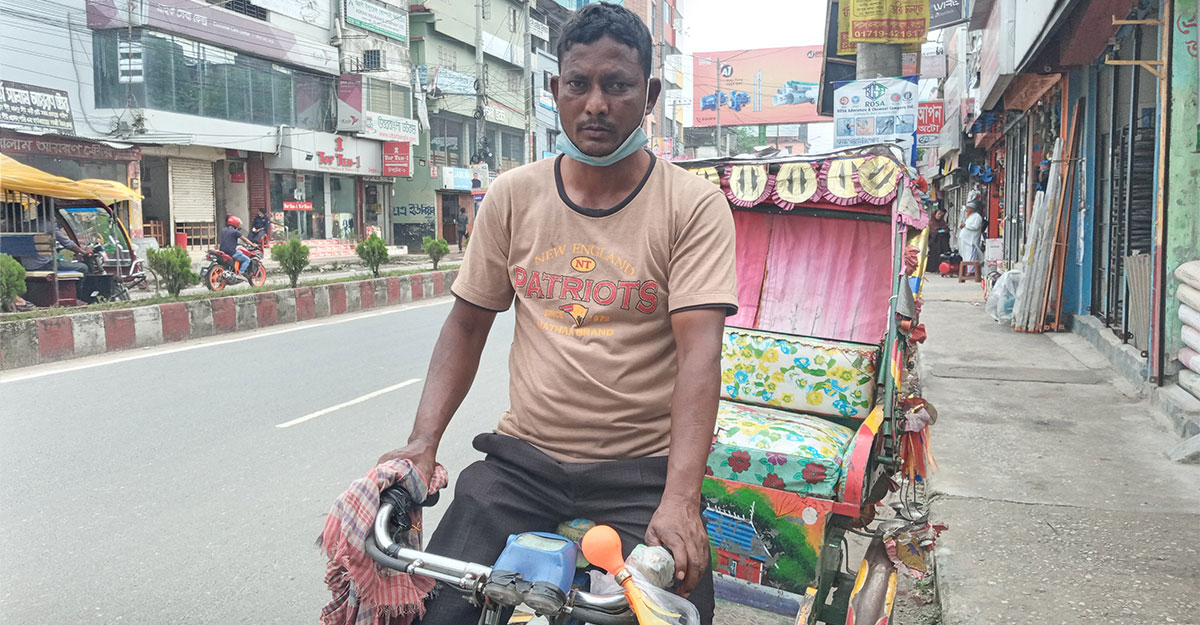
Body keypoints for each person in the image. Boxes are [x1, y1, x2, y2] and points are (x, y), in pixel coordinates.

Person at [375, 5, 736, 624]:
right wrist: (422, 444)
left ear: (649, 95)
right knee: (438, 607)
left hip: (640, 473)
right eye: (578, 84)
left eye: (617, 85)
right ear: (554, 89)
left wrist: (681, 496)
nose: (595, 104)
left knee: (677, 611)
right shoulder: (513, 196)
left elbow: (700, 356)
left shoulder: (693, 206)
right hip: (524, 464)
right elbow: (466, 326)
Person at [220, 216, 255, 280]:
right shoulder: (235, 232)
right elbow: (245, 240)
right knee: (247, 259)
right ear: (236, 223)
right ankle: (240, 273)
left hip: (222, 251)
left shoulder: (223, 230)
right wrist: (253, 244)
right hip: (231, 252)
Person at [957, 199, 985, 271]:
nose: (967, 209)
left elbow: (975, 226)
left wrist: (965, 225)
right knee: (966, 255)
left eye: (969, 208)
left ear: (973, 208)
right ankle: (967, 269)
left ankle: (971, 271)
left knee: (971, 256)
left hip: (971, 241)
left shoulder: (977, 217)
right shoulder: (970, 216)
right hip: (965, 240)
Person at [927, 207, 950, 273]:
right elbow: (931, 233)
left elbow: (946, 230)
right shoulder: (931, 223)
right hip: (934, 243)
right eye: (938, 214)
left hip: (943, 243)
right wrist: (937, 232)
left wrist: (942, 231)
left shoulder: (942, 222)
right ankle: (934, 268)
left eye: (940, 214)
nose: (939, 216)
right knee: (934, 256)